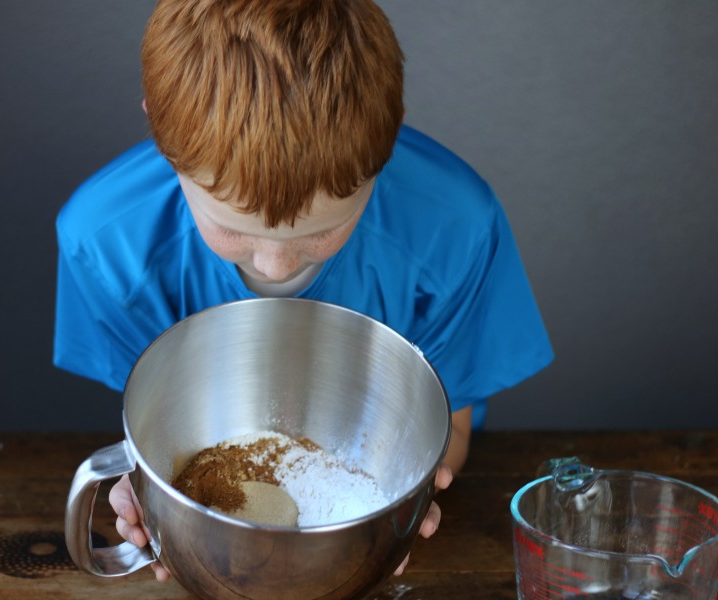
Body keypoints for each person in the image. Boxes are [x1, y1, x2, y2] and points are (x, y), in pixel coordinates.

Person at [54, 0, 553, 583]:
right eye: (234, 228)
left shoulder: (456, 227)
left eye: (320, 230)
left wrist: (399, 499)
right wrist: (151, 502)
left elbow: (452, 434)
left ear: (386, 144)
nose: (275, 262)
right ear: (165, 141)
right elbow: (155, 435)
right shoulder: (105, 243)